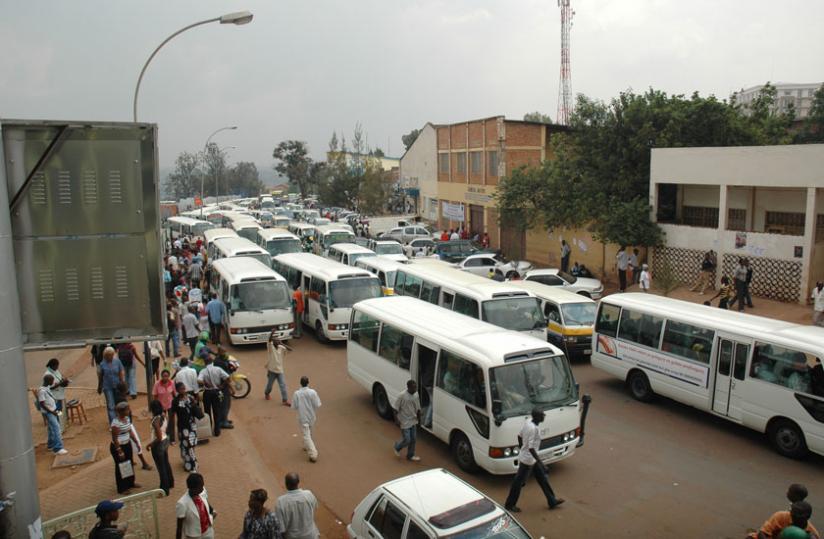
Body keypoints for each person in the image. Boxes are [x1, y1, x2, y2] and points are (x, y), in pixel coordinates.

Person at [504, 408, 564, 513]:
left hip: (529, 458)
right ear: (537, 417)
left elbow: (519, 436)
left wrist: (522, 448)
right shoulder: (533, 429)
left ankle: (552, 500)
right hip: (528, 460)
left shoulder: (528, 423)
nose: (544, 416)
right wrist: (541, 463)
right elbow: (531, 448)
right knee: (518, 482)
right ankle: (509, 504)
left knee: (542, 479)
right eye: (542, 415)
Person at [750, 483, 819, 539]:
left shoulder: (811, 533)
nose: (796, 518)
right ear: (791, 513)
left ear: (807, 518)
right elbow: (762, 532)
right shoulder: (781, 515)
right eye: (793, 515)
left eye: (800, 517)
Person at [275, 473, 319, 539]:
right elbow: (315, 506)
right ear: (298, 482)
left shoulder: (281, 502)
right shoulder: (308, 494)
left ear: (286, 484)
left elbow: (281, 528)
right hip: (311, 535)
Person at [110, 402, 140, 494]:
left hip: (127, 444)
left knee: (129, 463)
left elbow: (130, 431)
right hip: (118, 446)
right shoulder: (116, 423)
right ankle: (122, 488)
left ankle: (130, 483)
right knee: (121, 466)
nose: (129, 411)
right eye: (127, 409)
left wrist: (136, 442)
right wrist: (119, 451)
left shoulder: (127, 419)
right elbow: (115, 438)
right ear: (121, 411)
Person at [198, 354, 230, 436]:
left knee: (207, 412)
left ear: (205, 363)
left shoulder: (203, 371)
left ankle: (209, 429)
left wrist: (205, 383)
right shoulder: (218, 369)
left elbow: (199, 380)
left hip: (207, 393)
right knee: (217, 411)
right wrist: (222, 386)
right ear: (212, 362)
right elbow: (228, 378)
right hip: (216, 392)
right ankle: (217, 430)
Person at [176, 473, 216, 539]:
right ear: (193, 489)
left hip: (208, 532)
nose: (203, 489)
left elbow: (207, 506)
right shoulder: (182, 504)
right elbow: (179, 528)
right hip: (194, 536)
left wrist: (211, 515)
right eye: (201, 487)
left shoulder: (201, 493)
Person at [147, 399, 175, 495]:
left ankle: (164, 489)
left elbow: (158, 437)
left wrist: (150, 444)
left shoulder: (155, 421)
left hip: (158, 444)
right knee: (166, 463)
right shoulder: (163, 416)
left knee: (161, 467)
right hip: (165, 441)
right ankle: (170, 482)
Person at [172, 382, 201, 472]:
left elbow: (196, 407)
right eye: (181, 389)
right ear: (177, 390)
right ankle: (193, 464)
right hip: (183, 427)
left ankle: (188, 462)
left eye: (184, 388)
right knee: (187, 445)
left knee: (191, 444)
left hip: (192, 426)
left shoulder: (190, 398)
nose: (183, 390)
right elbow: (172, 415)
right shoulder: (175, 401)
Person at [292, 376, 321, 462]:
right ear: (308, 383)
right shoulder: (313, 392)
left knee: (306, 435)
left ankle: (313, 454)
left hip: (303, 417)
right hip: (311, 416)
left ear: (300, 383)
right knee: (309, 433)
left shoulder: (296, 393)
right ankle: (306, 446)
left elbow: (294, 406)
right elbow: (317, 404)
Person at [37, 374, 68, 455]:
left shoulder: (46, 387)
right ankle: (58, 448)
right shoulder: (41, 391)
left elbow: (52, 388)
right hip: (49, 412)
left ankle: (50, 445)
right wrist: (52, 412)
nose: (53, 382)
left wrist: (61, 383)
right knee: (56, 428)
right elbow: (42, 404)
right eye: (52, 380)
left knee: (51, 429)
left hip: (54, 410)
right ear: (48, 381)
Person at [393, 380, 421, 462]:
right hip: (404, 421)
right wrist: (397, 420)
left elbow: (418, 408)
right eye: (413, 387)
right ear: (408, 387)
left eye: (416, 387)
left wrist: (419, 419)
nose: (415, 389)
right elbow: (395, 409)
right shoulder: (402, 395)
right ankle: (397, 447)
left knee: (413, 439)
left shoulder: (416, 395)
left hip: (413, 420)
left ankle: (410, 455)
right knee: (407, 439)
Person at [98, 347, 125, 423]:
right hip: (107, 387)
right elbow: (100, 376)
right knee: (110, 405)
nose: (109, 357)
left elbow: (121, 371)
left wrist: (122, 382)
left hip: (117, 386)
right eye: (107, 355)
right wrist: (99, 386)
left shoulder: (117, 361)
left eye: (110, 355)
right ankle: (113, 423)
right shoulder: (102, 364)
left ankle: (119, 419)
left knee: (118, 403)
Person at [265, 333, 291, 405]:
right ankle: (267, 393)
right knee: (269, 386)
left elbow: (290, 349)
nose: (278, 341)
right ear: (273, 342)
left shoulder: (281, 348)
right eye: (276, 340)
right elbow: (269, 340)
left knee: (283, 385)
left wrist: (282, 344)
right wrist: (272, 333)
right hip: (272, 370)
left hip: (280, 371)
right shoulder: (270, 347)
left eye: (278, 340)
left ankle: (285, 400)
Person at [152, 369, 177, 443]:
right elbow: (155, 396)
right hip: (161, 407)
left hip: (170, 405)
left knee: (171, 422)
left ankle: (172, 439)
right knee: (161, 422)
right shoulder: (157, 384)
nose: (165, 378)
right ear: (161, 376)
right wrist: (157, 408)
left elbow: (174, 394)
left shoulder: (172, 383)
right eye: (163, 376)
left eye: (166, 376)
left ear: (169, 376)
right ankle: (162, 437)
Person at [45, 358, 69, 430]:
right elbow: (50, 387)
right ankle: (57, 427)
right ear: (53, 365)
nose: (58, 367)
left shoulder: (56, 371)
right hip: (54, 397)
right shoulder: (47, 374)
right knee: (56, 412)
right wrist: (61, 383)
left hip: (59, 395)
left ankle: (60, 425)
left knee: (60, 411)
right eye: (57, 366)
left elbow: (60, 378)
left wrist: (64, 381)